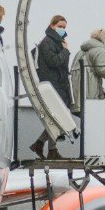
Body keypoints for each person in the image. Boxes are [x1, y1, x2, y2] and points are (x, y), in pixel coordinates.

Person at [31, 14, 72, 157]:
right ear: (52, 26)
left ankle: (43, 145)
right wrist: (65, 51)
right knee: (57, 117)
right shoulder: (48, 42)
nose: (62, 29)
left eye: (64, 27)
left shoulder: (56, 41)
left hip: (58, 84)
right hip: (53, 85)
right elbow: (54, 61)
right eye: (60, 26)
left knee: (57, 117)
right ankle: (49, 148)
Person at [69, 28, 105, 112]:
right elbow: (101, 69)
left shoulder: (81, 51)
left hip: (78, 93)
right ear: (104, 39)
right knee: (91, 113)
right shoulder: (100, 50)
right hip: (90, 89)